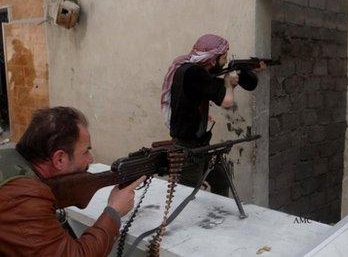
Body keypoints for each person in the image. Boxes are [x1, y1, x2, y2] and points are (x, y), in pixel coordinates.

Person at [0, 106, 146, 256]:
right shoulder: (24, 199)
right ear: (60, 159)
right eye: (85, 151)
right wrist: (114, 211)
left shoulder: (8, 159)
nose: (91, 159)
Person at [160, 34, 265, 196]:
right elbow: (226, 101)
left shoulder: (188, 70)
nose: (226, 60)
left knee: (221, 180)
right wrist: (229, 83)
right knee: (186, 195)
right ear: (212, 60)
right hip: (188, 151)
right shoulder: (195, 74)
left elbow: (215, 89)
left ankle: (217, 215)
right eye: (224, 57)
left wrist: (247, 71)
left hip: (199, 145)